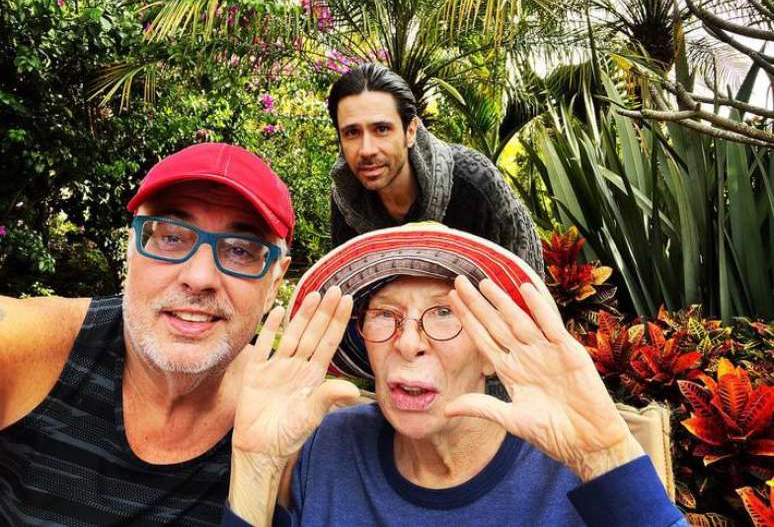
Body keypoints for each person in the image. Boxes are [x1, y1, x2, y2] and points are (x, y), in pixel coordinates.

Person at [221, 224, 687, 526]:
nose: (408, 342)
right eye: (385, 315)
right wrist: (256, 465)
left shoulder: (570, 463)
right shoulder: (328, 446)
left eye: (444, 313)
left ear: (492, 351)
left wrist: (604, 456)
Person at [0, 142, 329, 525]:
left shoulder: (293, 429)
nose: (199, 277)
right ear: (132, 247)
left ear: (274, 280)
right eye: (172, 237)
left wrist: (259, 468)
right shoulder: (30, 348)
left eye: (240, 250)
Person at [328, 64, 544, 277]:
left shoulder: (474, 179)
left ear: (411, 131)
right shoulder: (347, 197)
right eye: (352, 132)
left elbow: (527, 278)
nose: (367, 150)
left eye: (382, 129)